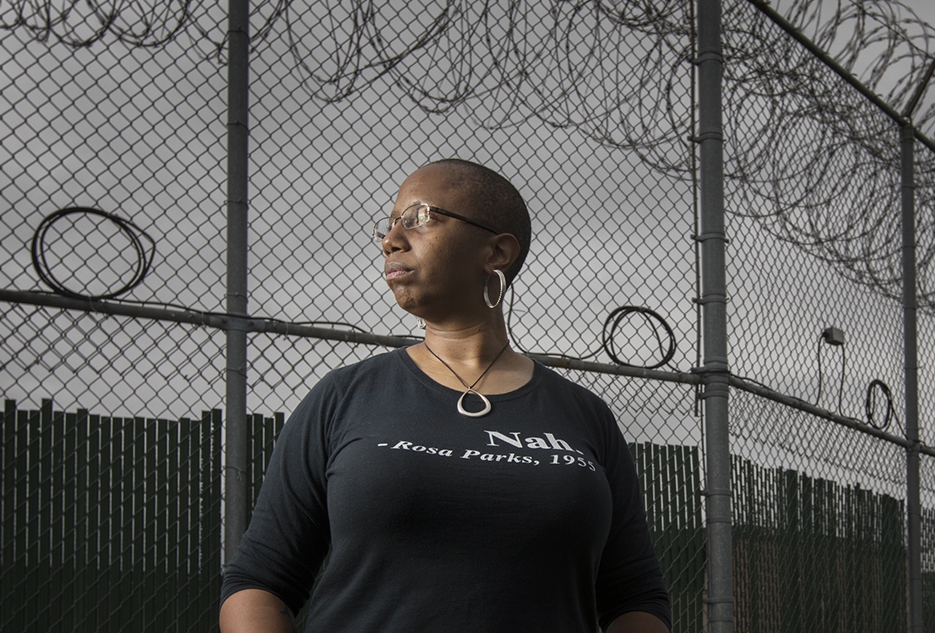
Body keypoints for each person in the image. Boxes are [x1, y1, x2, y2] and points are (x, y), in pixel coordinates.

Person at [219, 159, 672, 633]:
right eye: (390, 224)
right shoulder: (342, 397)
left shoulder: (585, 415)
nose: (391, 239)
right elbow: (260, 581)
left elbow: (635, 597)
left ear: (496, 251)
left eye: (420, 218)